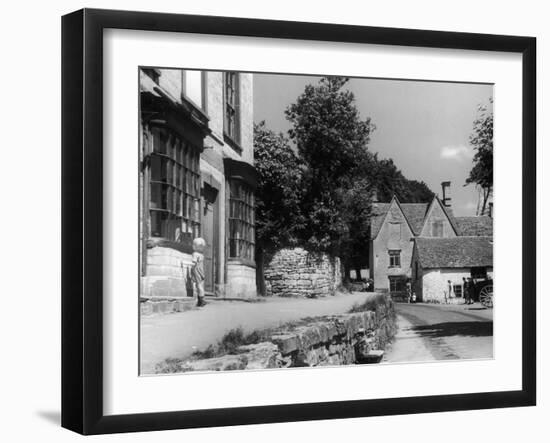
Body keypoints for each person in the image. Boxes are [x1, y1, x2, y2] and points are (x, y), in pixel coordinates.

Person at [191, 237, 207, 307]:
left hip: (196, 270)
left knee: (198, 285)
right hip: (201, 270)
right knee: (201, 285)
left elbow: (194, 263)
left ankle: (201, 300)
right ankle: (200, 300)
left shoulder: (195, 254)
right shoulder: (202, 255)